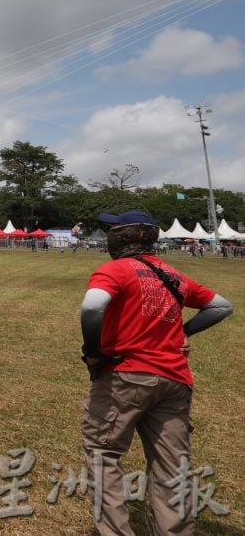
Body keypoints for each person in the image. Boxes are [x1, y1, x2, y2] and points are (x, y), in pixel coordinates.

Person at [79, 210, 233, 536]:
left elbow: (93, 306)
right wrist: (182, 332)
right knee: (172, 466)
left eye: (112, 229)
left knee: (102, 454)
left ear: (124, 236)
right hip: (175, 381)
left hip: (126, 376)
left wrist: (93, 353)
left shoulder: (115, 270)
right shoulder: (174, 275)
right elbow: (221, 305)